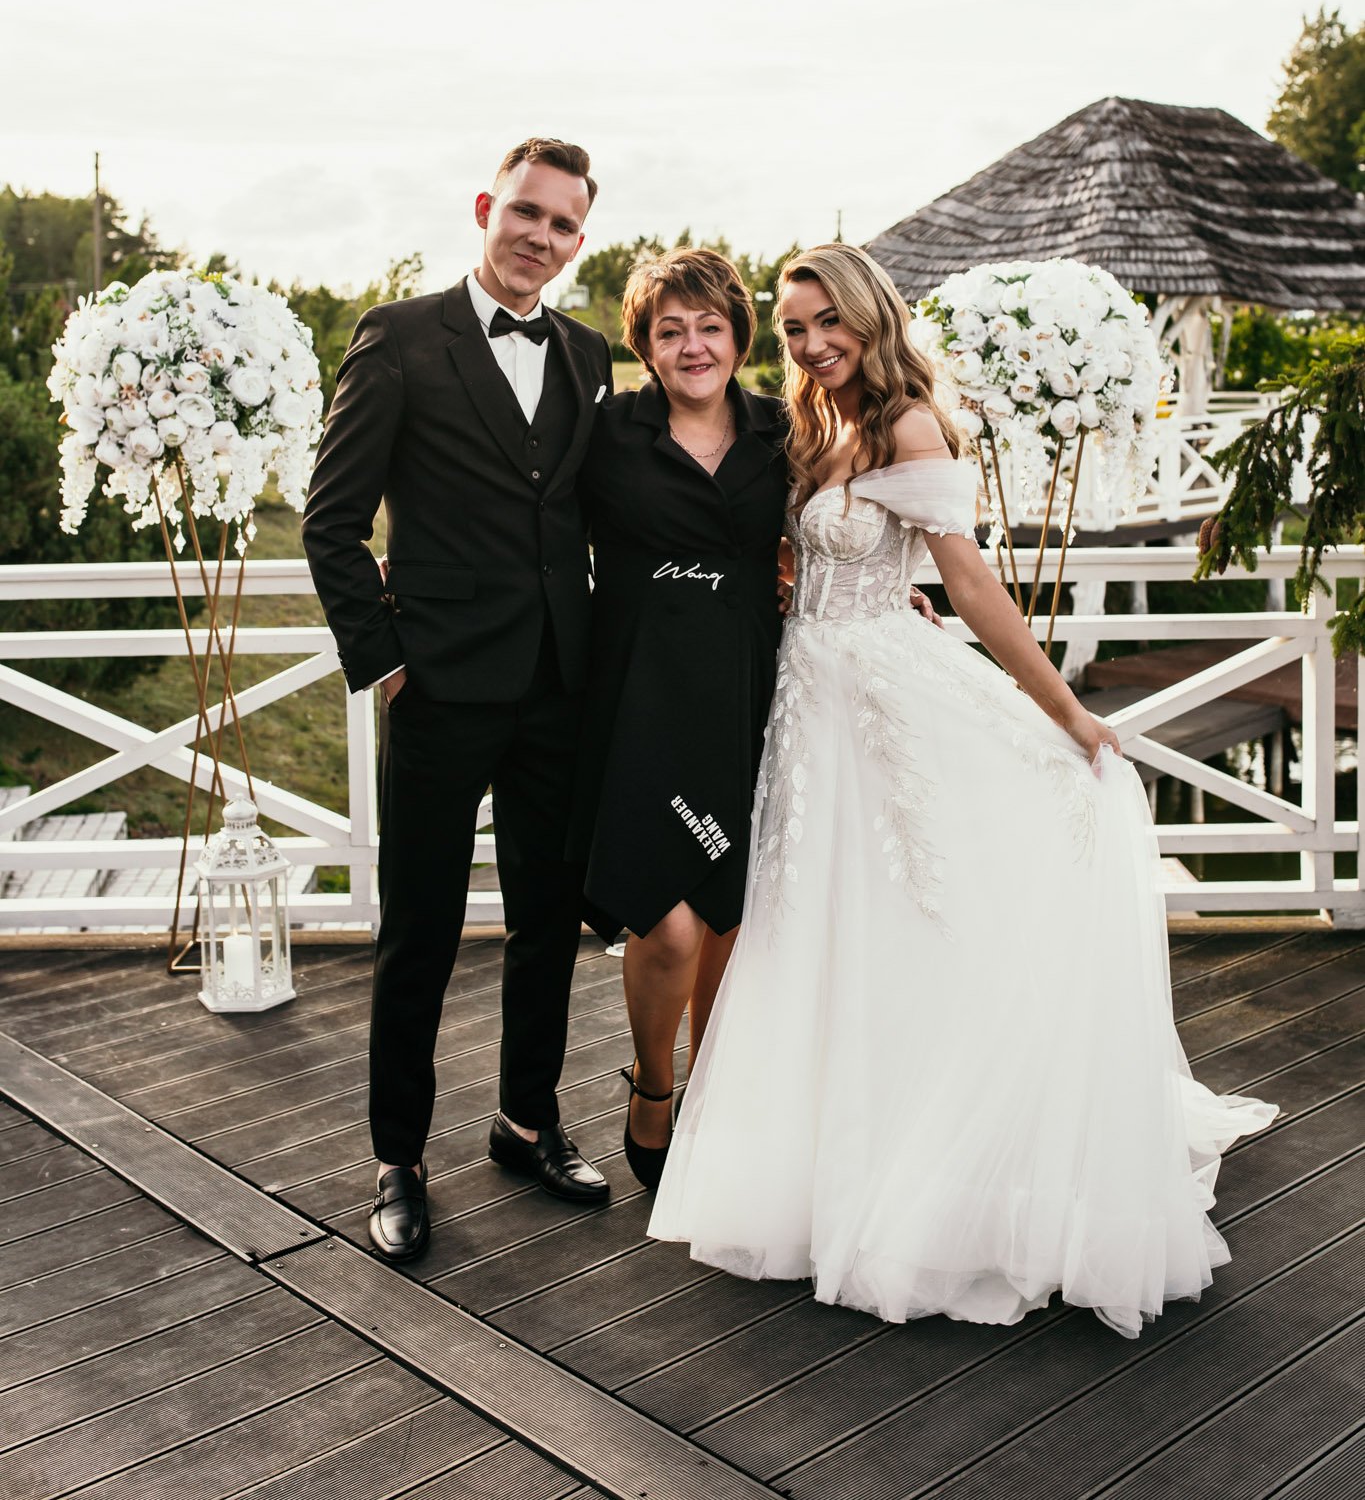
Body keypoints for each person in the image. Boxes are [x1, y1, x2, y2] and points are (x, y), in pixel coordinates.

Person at [650, 243, 1278, 1337]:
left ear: (868, 314)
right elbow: (796, 553)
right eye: (793, 328)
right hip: (806, 699)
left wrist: (1066, 711)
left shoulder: (907, 423)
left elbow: (972, 579)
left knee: (912, 907)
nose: (811, 343)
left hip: (882, 693)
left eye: (827, 321)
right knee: (819, 915)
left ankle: (933, 1162)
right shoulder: (809, 418)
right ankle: (823, 1155)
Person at [303, 139, 614, 1265]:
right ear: (488, 208)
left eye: (563, 224)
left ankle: (526, 1122)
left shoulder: (588, 353)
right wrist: (385, 662)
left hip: (558, 687)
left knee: (547, 923)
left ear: (579, 240)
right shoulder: (399, 337)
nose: (541, 236)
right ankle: (399, 1156)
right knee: (420, 929)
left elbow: (597, 510)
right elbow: (331, 521)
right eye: (526, 211)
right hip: (438, 688)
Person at [568, 248, 790, 1189]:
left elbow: (845, 521)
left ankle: (715, 1092)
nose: (692, 346)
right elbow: (524, 519)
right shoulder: (607, 432)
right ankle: (652, 1085)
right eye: (670, 331)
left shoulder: (785, 430)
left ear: (738, 335)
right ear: (644, 346)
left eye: (709, 327)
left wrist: (887, 590)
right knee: (666, 923)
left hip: (747, 695)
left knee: (727, 910)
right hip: (638, 703)